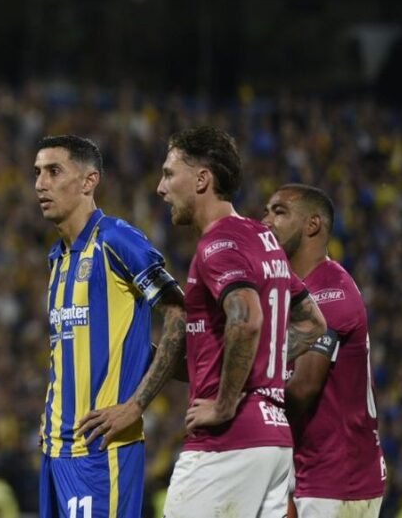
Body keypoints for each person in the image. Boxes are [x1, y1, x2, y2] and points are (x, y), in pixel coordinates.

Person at [156, 126, 327, 517]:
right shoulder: (261, 239)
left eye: (168, 174)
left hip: (228, 443)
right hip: (274, 440)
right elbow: (312, 322)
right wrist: (264, 362)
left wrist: (224, 404)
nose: (161, 188)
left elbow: (246, 319)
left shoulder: (218, 245)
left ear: (202, 179)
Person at [31, 135, 186, 518]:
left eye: (54, 171)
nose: (40, 184)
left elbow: (177, 312)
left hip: (102, 450)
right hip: (54, 450)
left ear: (89, 181)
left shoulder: (116, 239)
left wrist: (137, 404)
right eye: (37, 172)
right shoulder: (57, 258)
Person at [262, 184, 386, 517]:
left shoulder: (330, 291)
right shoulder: (292, 294)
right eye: (266, 211)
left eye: (279, 212)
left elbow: (304, 388)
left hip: (339, 481)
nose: (266, 221)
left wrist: (242, 407)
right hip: (311, 473)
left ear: (312, 224)